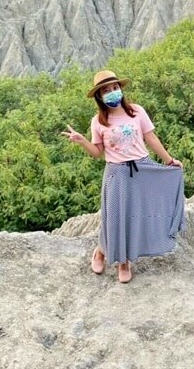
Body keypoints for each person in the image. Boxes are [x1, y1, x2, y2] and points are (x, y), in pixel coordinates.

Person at [61, 71, 185, 283]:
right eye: (106, 91)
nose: (112, 93)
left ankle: (123, 259)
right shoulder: (99, 121)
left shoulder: (136, 111)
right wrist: (82, 141)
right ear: (100, 96)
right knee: (116, 217)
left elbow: (150, 137)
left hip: (142, 168)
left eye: (114, 88)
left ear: (120, 89)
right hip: (117, 173)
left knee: (138, 214)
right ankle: (106, 254)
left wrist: (168, 160)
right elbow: (97, 153)